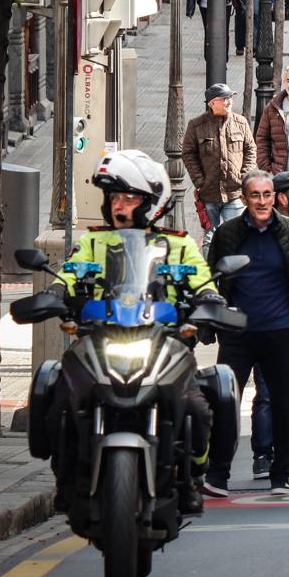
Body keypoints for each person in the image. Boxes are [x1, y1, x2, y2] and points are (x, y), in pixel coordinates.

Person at [52, 150, 216, 513]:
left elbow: (205, 284)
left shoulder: (179, 245)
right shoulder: (94, 242)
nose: (119, 207)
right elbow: (70, 273)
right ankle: (66, 480)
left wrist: (208, 303)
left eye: (129, 199)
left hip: (164, 344)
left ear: (150, 203)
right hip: (100, 342)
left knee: (198, 407)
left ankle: (194, 475)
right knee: (59, 399)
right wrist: (54, 294)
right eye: (114, 198)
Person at [202, 168, 289, 498]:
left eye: (267, 195)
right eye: (255, 195)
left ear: (274, 198)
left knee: (283, 404)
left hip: (281, 331)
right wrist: (206, 327)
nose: (262, 202)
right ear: (244, 199)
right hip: (237, 334)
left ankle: (281, 475)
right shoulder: (228, 234)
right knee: (225, 402)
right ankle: (218, 474)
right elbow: (209, 280)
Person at [182, 83, 256, 253]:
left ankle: (233, 275)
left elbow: (251, 149)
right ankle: (210, 275)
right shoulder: (196, 125)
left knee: (236, 236)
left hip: (235, 192)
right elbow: (188, 153)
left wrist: (244, 176)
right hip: (209, 193)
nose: (228, 101)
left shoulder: (241, 122)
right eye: (223, 98)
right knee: (210, 238)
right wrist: (200, 181)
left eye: (230, 97)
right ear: (211, 103)